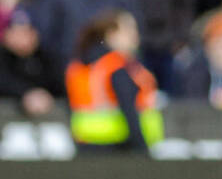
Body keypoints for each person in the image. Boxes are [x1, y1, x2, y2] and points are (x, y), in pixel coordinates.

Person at [65, 9, 163, 152]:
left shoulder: (82, 64)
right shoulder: (115, 67)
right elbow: (130, 111)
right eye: (128, 30)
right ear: (111, 35)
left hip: (87, 147)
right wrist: (143, 150)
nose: (135, 36)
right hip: (119, 148)